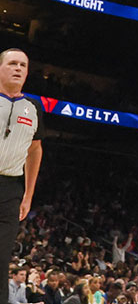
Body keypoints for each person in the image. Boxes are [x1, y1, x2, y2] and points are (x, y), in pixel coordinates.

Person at [0, 49, 42, 304]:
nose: (18, 68)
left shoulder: (34, 107)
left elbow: (35, 150)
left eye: (23, 65)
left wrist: (28, 193)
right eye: (12, 63)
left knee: (2, 257)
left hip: (11, 189)